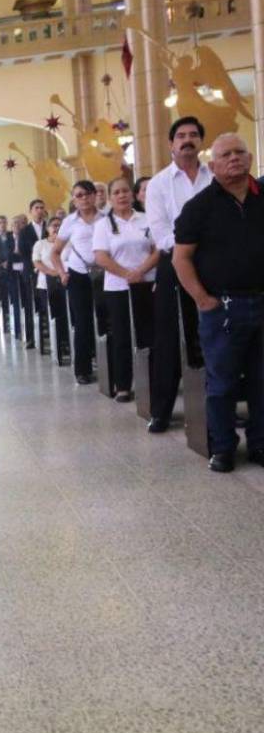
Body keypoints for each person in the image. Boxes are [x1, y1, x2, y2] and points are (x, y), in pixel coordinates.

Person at [172, 133, 264, 473]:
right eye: (226, 155)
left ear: (250, 159)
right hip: (222, 307)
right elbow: (181, 259)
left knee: (261, 381)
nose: (234, 158)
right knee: (222, 383)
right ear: (212, 166)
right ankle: (223, 447)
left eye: (240, 152)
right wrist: (202, 299)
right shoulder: (199, 207)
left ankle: (260, 443)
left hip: (261, 300)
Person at [144, 116, 212, 433]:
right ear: (171, 143)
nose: (187, 140)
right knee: (169, 337)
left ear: (200, 142)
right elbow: (160, 232)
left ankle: (218, 405)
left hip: (214, 264)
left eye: (193, 135)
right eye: (181, 135)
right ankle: (161, 410)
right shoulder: (159, 183)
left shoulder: (214, 177)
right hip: (174, 263)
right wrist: (192, 245)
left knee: (214, 335)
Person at [92, 176, 159, 402]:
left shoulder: (146, 219)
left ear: (133, 195)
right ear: (110, 198)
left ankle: (152, 382)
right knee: (121, 336)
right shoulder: (103, 225)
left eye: (125, 191)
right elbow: (101, 256)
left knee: (148, 334)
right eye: (116, 192)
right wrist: (126, 274)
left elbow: (158, 249)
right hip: (118, 287)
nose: (122, 195)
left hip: (146, 283)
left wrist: (140, 271)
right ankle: (123, 385)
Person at [52, 180, 102, 385]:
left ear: (95, 195)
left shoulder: (106, 218)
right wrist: (62, 273)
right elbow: (55, 252)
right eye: (79, 195)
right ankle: (83, 369)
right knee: (82, 322)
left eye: (87, 193)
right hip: (78, 274)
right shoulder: (70, 222)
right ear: (74, 200)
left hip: (104, 273)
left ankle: (109, 364)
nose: (84, 198)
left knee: (106, 319)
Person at [32, 216, 69, 364]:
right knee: (53, 314)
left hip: (65, 281)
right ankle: (57, 343)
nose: (57, 228)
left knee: (66, 314)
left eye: (59, 225)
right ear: (47, 228)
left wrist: (63, 273)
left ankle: (67, 341)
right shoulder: (40, 244)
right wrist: (52, 272)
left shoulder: (67, 243)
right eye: (54, 225)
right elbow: (37, 262)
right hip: (47, 284)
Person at [17, 200, 50, 349]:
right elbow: (23, 252)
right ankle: (31, 338)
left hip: (49, 270)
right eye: (36, 208)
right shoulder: (24, 231)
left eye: (42, 208)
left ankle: (55, 336)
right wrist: (36, 265)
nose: (40, 210)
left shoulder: (49, 228)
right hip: (31, 272)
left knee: (48, 304)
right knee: (31, 305)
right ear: (31, 211)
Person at [0, 215, 17, 334]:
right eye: (0, 222)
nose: (2, 224)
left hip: (12, 270)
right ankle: (6, 322)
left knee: (14, 296)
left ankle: (15, 321)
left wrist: (9, 262)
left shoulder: (12, 235)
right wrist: (0, 264)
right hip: (0, 271)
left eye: (4, 222)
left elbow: (16, 251)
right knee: (3, 297)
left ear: (7, 223)